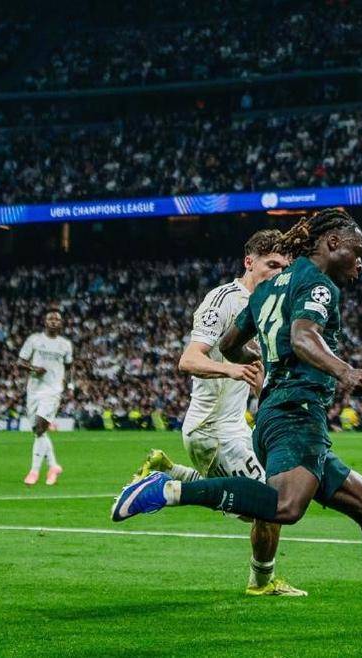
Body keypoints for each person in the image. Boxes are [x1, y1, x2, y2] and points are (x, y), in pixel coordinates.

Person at [112, 209, 362, 620]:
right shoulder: (318, 284)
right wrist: (344, 371)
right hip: (296, 414)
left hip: (274, 416)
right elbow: (303, 337)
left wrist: (260, 364)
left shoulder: (266, 290)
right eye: (357, 251)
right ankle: (168, 488)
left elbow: (229, 344)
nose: (360, 262)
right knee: (285, 507)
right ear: (332, 243)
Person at [131, 230, 299, 595]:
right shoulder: (223, 300)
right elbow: (189, 359)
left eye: (283, 267)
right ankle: (165, 488)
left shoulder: (268, 306)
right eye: (271, 264)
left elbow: (258, 369)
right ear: (249, 262)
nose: (277, 273)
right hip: (211, 429)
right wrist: (231, 369)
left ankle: (166, 470)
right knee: (268, 504)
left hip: (234, 426)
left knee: (264, 502)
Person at [18, 309, 74, 486]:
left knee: (40, 428)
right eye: (50, 318)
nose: (53, 321)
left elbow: (69, 367)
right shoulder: (34, 340)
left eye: (57, 319)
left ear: (61, 323)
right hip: (34, 390)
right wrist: (34, 369)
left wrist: (70, 385)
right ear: (45, 321)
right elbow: (20, 362)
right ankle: (53, 466)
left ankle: (34, 471)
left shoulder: (65, 344)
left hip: (53, 390)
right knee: (38, 431)